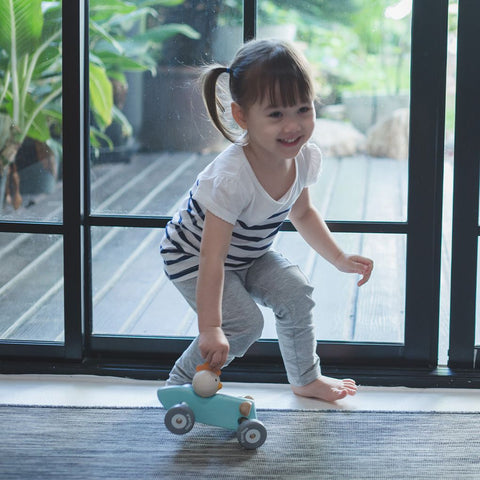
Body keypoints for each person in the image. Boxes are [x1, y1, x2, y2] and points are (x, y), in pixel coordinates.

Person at [160, 39, 374, 402]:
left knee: (296, 292)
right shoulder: (231, 178)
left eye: (303, 109)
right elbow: (212, 259)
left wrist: (338, 258)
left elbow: (302, 212)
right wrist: (211, 326)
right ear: (242, 116)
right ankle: (179, 385)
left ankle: (306, 378)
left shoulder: (303, 158)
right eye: (276, 115)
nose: (293, 126)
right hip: (194, 258)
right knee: (243, 325)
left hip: (247, 253)